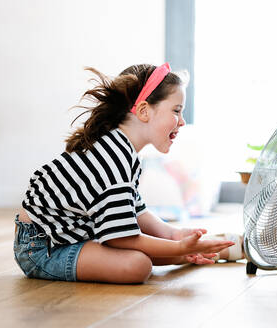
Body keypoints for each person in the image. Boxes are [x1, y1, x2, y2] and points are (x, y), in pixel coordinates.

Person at [14, 63, 240, 284]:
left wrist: (175, 235)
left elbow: (137, 213)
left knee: (145, 256)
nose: (182, 122)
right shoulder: (113, 158)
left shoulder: (122, 150)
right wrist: (178, 247)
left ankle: (199, 251)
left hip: (66, 234)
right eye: (176, 111)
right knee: (137, 265)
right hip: (42, 246)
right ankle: (194, 252)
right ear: (143, 111)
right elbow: (121, 237)